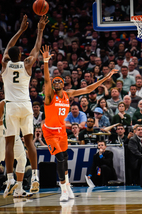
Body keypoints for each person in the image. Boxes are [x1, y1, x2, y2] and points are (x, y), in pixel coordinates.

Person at [41, 45, 117, 201]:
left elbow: (89, 89)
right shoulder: (50, 96)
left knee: (65, 157)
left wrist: (106, 77)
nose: (55, 83)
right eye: (54, 82)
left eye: (58, 81)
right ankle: (63, 189)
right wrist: (45, 62)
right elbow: (47, 79)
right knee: (60, 158)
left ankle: (67, 187)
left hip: (61, 130)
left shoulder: (68, 94)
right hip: (49, 132)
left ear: (63, 84)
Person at [1, 15, 49, 195]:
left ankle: (10, 179)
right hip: (26, 106)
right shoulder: (27, 64)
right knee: (29, 141)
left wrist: (20, 30)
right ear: (21, 55)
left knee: (9, 143)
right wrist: (40, 29)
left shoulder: (5, 64)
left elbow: (7, 48)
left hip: (11, 106)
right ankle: (35, 176)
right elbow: (37, 48)